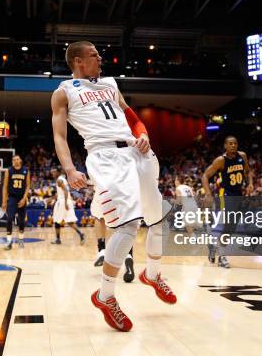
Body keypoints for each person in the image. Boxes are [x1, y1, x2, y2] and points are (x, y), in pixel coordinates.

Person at [51, 41, 176, 332]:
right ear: (79, 61)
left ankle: (153, 274)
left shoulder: (109, 83)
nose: (100, 57)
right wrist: (70, 169)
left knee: (159, 220)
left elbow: (131, 117)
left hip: (137, 151)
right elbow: (59, 136)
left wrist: (143, 134)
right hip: (106, 156)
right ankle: (105, 296)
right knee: (129, 226)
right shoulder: (63, 92)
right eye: (95, 54)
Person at [201, 136, 253, 268]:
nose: (233, 146)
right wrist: (208, 193)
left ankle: (214, 248)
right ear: (225, 146)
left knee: (232, 227)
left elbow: (248, 171)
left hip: (238, 194)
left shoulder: (242, 156)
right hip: (226, 194)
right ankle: (222, 256)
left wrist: (250, 183)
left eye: (235, 143)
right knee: (228, 225)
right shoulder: (220, 160)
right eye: (230, 144)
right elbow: (205, 176)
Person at [1, 155, 31, 249]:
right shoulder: (8, 171)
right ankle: (9, 242)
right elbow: (5, 187)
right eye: (14, 159)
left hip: (22, 198)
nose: (16, 161)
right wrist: (4, 201)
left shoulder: (26, 170)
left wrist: (24, 198)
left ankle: (21, 240)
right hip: (12, 198)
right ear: (12, 161)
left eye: (17, 159)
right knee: (9, 218)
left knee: (21, 220)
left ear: (20, 160)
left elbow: (28, 186)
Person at [51, 170, 85, 245]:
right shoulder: (63, 179)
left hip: (63, 202)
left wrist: (65, 202)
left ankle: (58, 239)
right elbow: (64, 191)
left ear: (57, 172)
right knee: (69, 222)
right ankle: (81, 234)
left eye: (53, 172)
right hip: (67, 201)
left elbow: (66, 191)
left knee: (57, 221)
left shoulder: (59, 180)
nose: (52, 173)